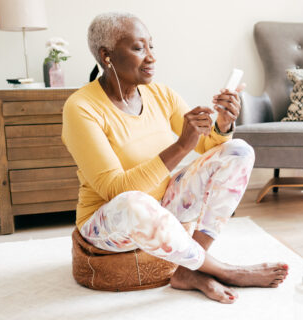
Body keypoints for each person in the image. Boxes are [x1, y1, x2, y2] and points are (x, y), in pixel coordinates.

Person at [61, 12, 288, 304]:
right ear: (107, 56)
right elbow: (116, 190)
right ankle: (221, 269)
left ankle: (188, 269)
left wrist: (223, 123)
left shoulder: (160, 94)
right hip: (109, 220)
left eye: (151, 46)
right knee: (135, 201)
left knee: (238, 150)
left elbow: (209, 146)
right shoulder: (80, 108)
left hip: (163, 206)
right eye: (138, 48)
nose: (151, 57)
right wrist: (181, 146)